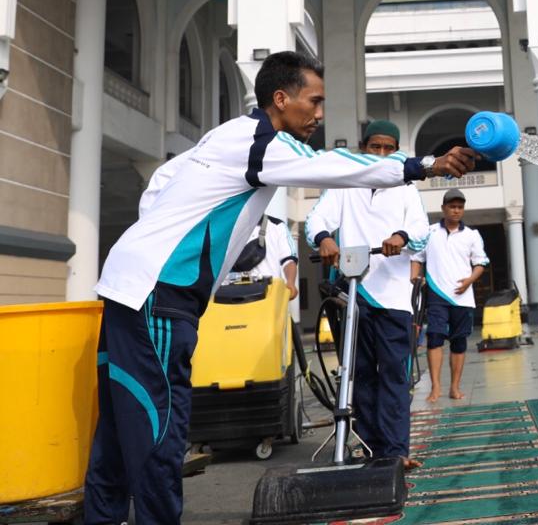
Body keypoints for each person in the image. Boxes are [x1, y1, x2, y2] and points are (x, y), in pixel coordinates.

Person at [84, 51, 476, 525]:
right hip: (158, 295)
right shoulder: (263, 142)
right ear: (280, 98)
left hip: (130, 284)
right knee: (158, 432)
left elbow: (162, 181)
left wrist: (157, 238)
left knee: (116, 432)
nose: (318, 114)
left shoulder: (229, 134)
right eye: (313, 102)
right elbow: (333, 165)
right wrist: (424, 165)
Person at [305, 119, 428, 470]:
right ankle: (372, 447)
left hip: (393, 297)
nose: (383, 154)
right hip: (354, 294)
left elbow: (421, 230)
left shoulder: (406, 186)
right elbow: (316, 218)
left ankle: (395, 449)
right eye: (376, 147)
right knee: (358, 372)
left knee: (394, 374)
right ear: (364, 148)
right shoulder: (346, 183)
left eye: (389, 148)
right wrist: (325, 239)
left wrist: (401, 237)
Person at [411, 188, 488, 402]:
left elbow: (480, 263)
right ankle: (435, 387)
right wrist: (414, 278)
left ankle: (455, 387)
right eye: (452, 206)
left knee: (459, 342)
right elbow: (417, 257)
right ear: (443, 208)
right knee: (434, 339)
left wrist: (469, 282)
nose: (456, 210)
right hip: (436, 296)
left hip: (463, 298)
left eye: (459, 207)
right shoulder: (429, 232)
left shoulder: (472, 235)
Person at [225, 214, 299, 298]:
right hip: (231, 295)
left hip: (269, 293)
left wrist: (290, 282)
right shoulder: (226, 227)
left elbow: (288, 260)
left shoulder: (277, 225)